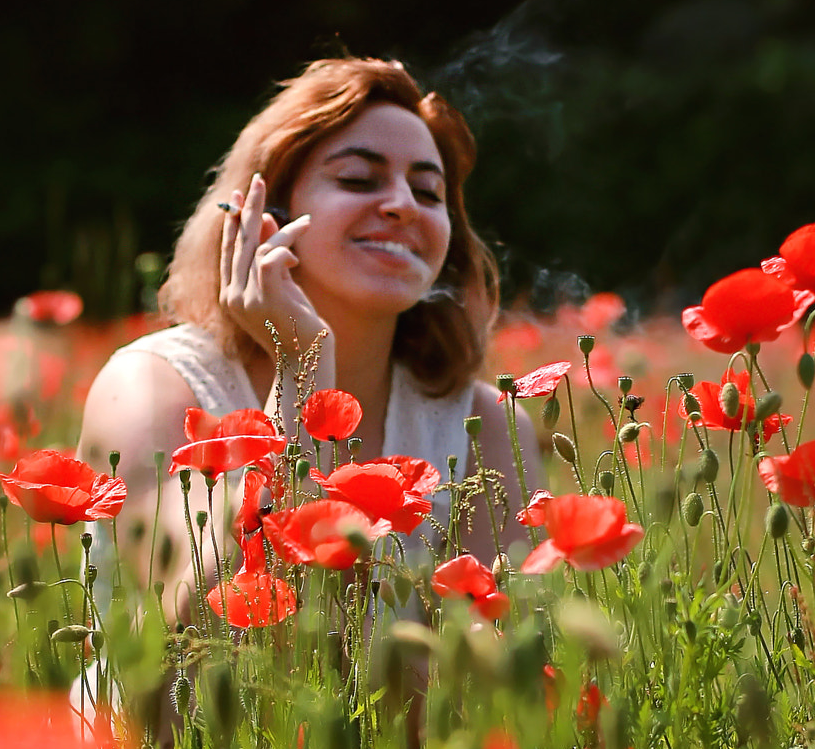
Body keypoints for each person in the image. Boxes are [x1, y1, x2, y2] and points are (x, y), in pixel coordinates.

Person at [77, 56, 539, 610]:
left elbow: (496, 672)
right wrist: (303, 365)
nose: (402, 206)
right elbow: (191, 625)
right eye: (357, 179)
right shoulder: (150, 385)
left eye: (428, 192)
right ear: (262, 216)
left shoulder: (481, 426)